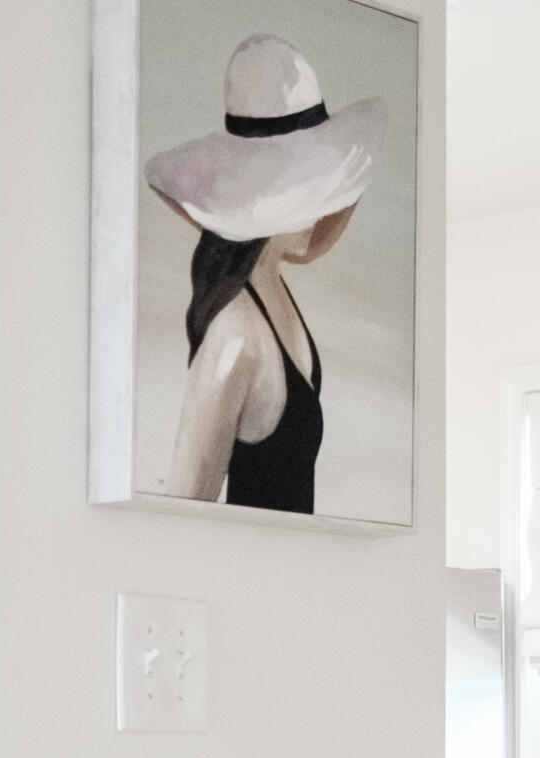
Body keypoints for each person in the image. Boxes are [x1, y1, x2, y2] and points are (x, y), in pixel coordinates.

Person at [145, 33, 385, 512]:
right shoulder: (235, 335)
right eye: (307, 187)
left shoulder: (270, 283)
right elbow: (183, 512)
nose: (322, 207)